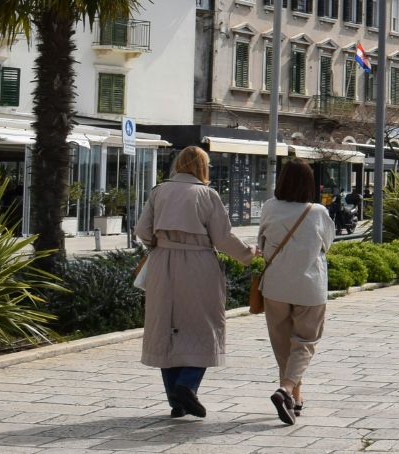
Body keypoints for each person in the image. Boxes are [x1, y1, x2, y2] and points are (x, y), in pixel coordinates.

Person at [136, 146, 256, 419]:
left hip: (162, 263)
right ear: (203, 167)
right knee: (205, 324)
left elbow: (142, 231)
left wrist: (162, 242)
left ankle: (175, 400)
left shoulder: (159, 191)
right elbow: (223, 237)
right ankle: (187, 385)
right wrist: (248, 255)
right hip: (198, 264)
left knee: (165, 326)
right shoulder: (207, 195)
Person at [257, 160, 336, 425]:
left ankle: (294, 398)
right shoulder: (318, 212)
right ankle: (288, 389)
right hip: (309, 287)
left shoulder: (269, 207)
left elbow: (261, 242)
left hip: (276, 286)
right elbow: (327, 244)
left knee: (282, 345)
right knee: (304, 342)